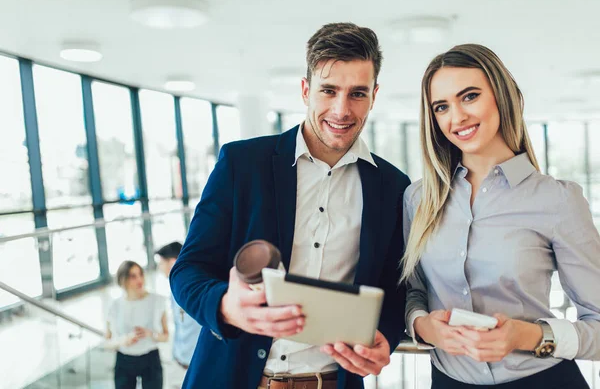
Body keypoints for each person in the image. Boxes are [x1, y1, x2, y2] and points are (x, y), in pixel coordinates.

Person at [170, 22, 411, 389]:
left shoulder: (393, 187)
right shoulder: (241, 163)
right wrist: (224, 305)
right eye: (328, 91)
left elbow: (394, 292)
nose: (341, 109)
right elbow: (188, 270)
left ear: (374, 95)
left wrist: (386, 338)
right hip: (231, 377)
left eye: (357, 94)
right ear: (305, 90)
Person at [403, 43, 600, 388]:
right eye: (441, 107)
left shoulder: (558, 200)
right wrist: (423, 326)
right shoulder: (419, 199)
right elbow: (414, 291)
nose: (457, 117)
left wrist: (528, 336)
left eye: (469, 97)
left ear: (502, 96)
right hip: (447, 380)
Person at [105, 260, 169, 389]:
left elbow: (166, 336)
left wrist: (151, 334)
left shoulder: (157, 301)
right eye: (133, 276)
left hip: (151, 358)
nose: (139, 279)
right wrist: (124, 340)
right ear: (123, 280)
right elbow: (107, 343)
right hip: (124, 360)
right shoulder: (114, 306)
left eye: (140, 274)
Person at [155, 241, 202, 371]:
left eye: (161, 263)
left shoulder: (191, 288)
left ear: (172, 262)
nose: (159, 268)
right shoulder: (175, 287)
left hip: (196, 359)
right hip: (184, 358)